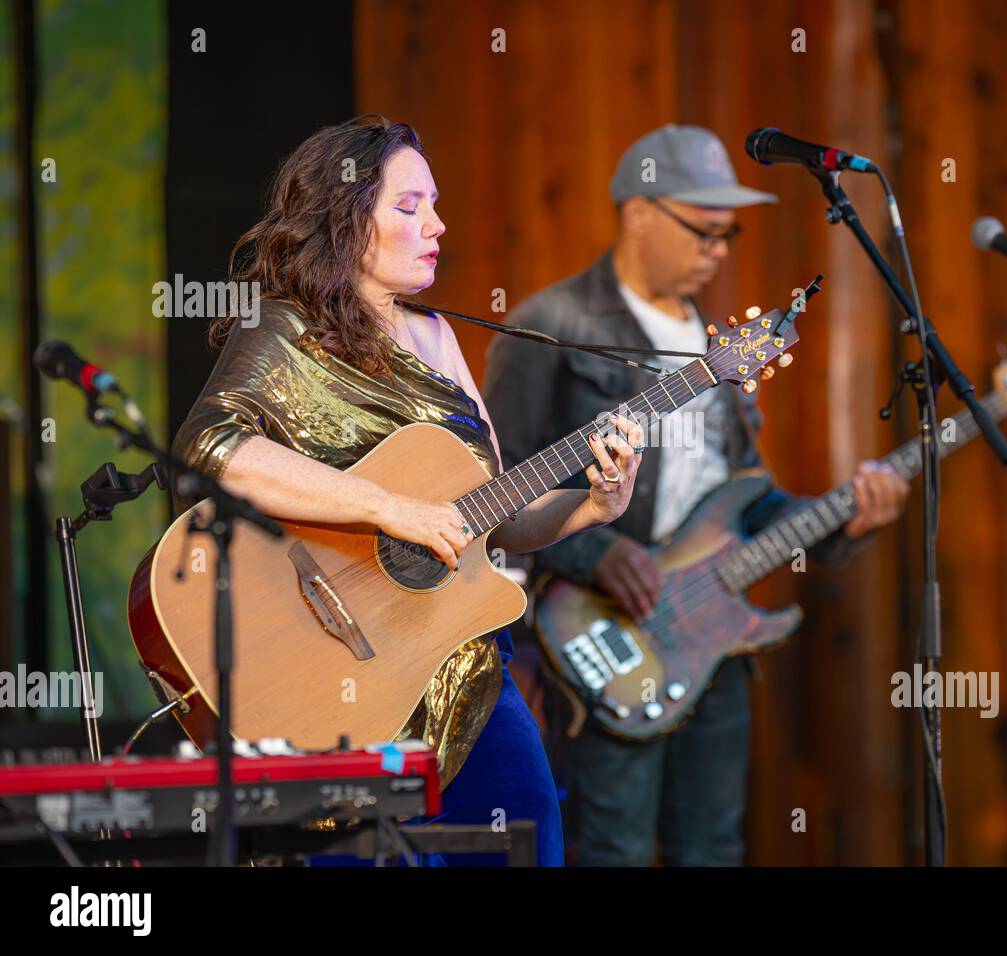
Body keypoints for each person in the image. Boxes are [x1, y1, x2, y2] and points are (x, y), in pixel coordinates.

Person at [170, 116, 645, 866]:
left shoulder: (437, 339)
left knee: (530, 845)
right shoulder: (285, 332)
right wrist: (389, 508)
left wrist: (593, 505)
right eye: (409, 205)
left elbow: (493, 518)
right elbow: (213, 448)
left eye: (435, 204)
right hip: (343, 671)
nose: (437, 224)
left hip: (465, 659)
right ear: (345, 216)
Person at [482, 124, 910, 866]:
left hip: (714, 639)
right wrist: (596, 547)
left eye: (730, 234)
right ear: (639, 212)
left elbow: (745, 498)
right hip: (605, 627)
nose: (719, 248)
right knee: (609, 847)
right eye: (705, 229)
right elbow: (500, 477)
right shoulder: (549, 326)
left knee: (711, 848)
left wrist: (847, 518)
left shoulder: (725, 344)